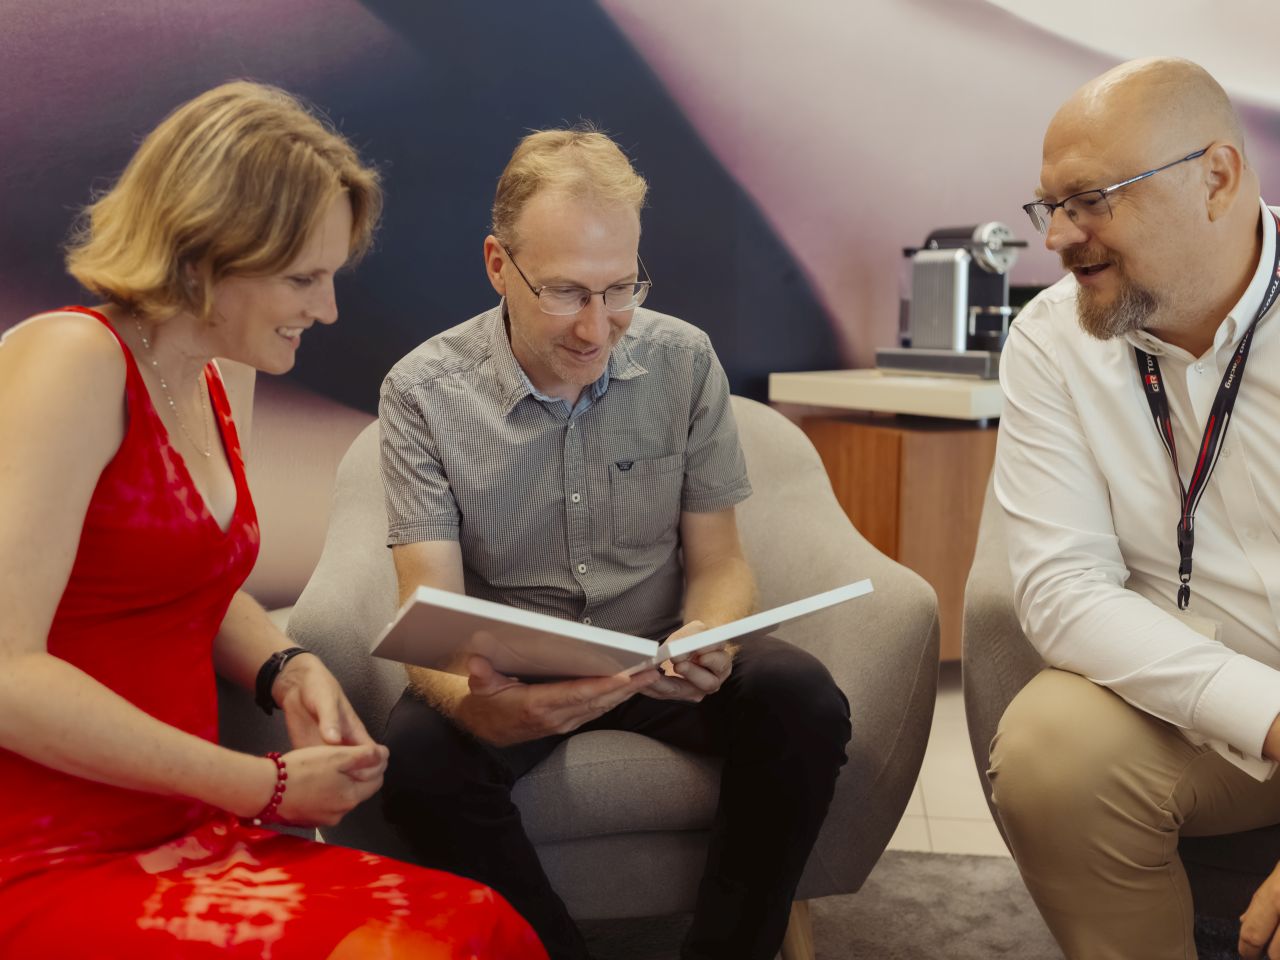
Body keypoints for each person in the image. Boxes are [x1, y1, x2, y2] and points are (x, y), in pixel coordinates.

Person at [0, 81, 545, 959]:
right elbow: (5, 673)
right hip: (44, 854)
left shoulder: (222, 368)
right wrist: (262, 785)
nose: (327, 310)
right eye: (303, 278)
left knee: (481, 924)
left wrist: (288, 668)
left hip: (189, 831)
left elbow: (191, 582)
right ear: (204, 256)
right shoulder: (71, 359)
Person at [377, 127, 852, 960]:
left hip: (660, 652)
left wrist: (709, 633)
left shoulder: (684, 361)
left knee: (803, 699)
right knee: (416, 757)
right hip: (515, 662)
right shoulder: (422, 392)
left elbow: (720, 564)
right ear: (498, 265)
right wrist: (473, 703)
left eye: (620, 289)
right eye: (565, 292)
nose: (597, 329)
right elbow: (431, 607)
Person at [988, 57, 1280, 960]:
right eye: (1050, 207)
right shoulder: (1050, 340)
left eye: (1091, 201)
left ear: (1216, 178)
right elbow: (1064, 590)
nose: (1057, 238)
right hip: (1208, 709)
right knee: (1051, 754)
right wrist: (1267, 712)